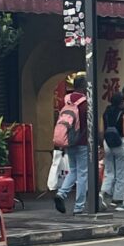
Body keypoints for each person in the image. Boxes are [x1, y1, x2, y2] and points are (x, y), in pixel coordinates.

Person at [54, 73, 90, 216]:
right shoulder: (85, 102)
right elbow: (88, 123)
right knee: (82, 174)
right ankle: (79, 207)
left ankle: (61, 193)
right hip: (81, 141)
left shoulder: (66, 100)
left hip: (68, 140)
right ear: (84, 86)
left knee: (73, 170)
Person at [99, 91, 124, 212]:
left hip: (107, 143)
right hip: (120, 143)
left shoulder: (105, 113)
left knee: (109, 171)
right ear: (121, 103)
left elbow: (101, 131)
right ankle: (119, 201)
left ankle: (103, 192)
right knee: (122, 173)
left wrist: (102, 146)